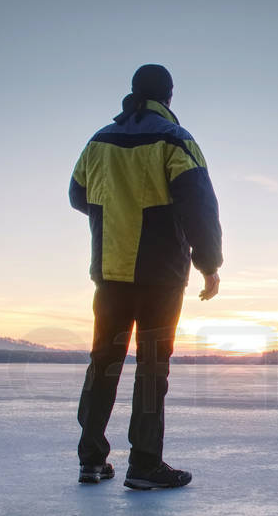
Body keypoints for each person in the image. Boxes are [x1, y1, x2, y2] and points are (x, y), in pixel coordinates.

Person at [69, 64, 223, 489]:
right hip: (160, 275)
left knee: (104, 362)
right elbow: (200, 206)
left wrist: (115, 215)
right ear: (169, 97)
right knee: (152, 367)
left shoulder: (99, 141)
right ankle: (144, 465)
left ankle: (91, 460)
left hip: (111, 272)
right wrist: (209, 264)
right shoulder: (175, 139)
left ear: (133, 93)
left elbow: (77, 194)